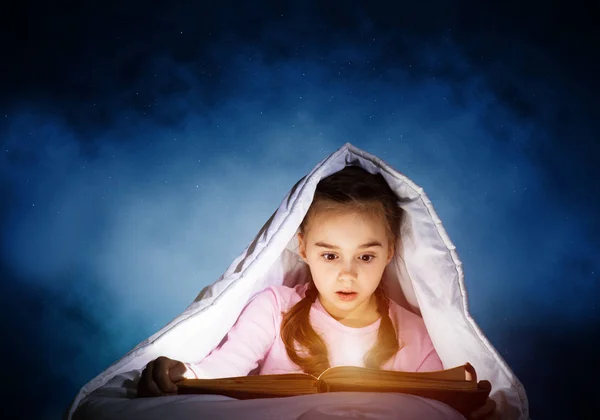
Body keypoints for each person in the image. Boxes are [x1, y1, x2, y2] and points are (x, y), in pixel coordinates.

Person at [137, 165, 496, 419]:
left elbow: (439, 402)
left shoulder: (416, 334)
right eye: (329, 255)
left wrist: (470, 410)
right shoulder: (274, 309)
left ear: (390, 252)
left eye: (366, 256)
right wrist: (180, 373)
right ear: (303, 248)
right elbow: (221, 370)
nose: (348, 273)